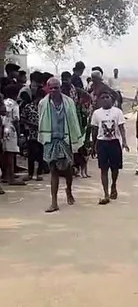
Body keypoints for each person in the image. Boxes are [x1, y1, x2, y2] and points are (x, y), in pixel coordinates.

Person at [38, 77, 84, 212]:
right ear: (47, 88)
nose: (53, 90)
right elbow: (41, 121)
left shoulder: (69, 102)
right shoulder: (43, 103)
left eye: (56, 87)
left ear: (60, 88)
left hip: (65, 139)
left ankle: (69, 191)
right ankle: (54, 202)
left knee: (68, 169)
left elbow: (74, 121)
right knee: (53, 170)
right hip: (50, 139)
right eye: (51, 88)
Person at [91, 88, 129, 204]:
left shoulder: (117, 112)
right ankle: (106, 194)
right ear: (100, 101)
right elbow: (94, 130)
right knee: (103, 169)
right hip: (102, 143)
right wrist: (93, 145)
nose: (105, 99)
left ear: (111, 99)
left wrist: (124, 141)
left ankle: (114, 185)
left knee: (115, 168)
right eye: (103, 98)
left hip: (114, 142)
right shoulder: (96, 113)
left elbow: (121, 128)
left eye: (107, 97)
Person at [20, 86, 46, 181]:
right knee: (31, 154)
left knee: (41, 154)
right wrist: (32, 125)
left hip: (42, 134)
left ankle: (39, 173)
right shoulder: (28, 107)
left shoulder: (45, 107)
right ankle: (30, 174)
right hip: (32, 134)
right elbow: (22, 119)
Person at [2, 84, 25, 186]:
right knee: (11, 154)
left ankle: (6, 175)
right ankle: (11, 178)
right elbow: (16, 120)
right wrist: (19, 134)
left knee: (4, 154)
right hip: (11, 130)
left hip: (2, 129)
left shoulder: (3, 102)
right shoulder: (14, 105)